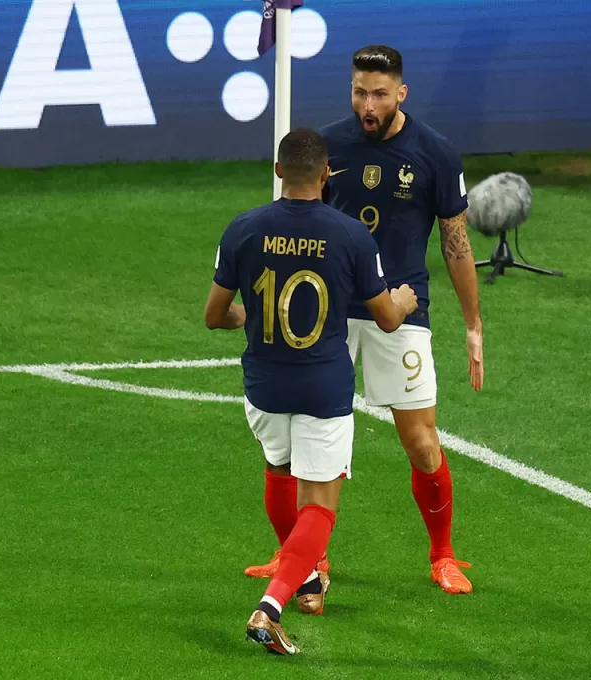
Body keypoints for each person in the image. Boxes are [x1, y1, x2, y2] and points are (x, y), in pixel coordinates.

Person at [243, 45, 485, 595]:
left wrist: (473, 323)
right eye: (359, 92)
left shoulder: (436, 154)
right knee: (289, 448)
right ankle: (301, 561)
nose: (367, 104)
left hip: (400, 312)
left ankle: (443, 554)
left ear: (401, 93)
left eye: (378, 93)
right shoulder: (328, 149)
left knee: (422, 442)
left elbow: (456, 242)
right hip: (329, 313)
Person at [204, 127, 418, 655]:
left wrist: (247, 316)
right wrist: (408, 300)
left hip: (264, 385)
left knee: (279, 471)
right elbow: (387, 319)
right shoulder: (349, 235)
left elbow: (214, 316)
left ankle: (305, 578)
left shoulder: (243, 229)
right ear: (327, 176)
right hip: (322, 387)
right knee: (320, 509)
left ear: (278, 172)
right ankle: (270, 606)